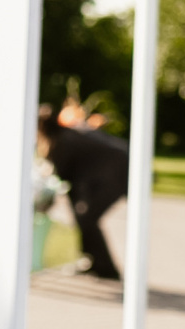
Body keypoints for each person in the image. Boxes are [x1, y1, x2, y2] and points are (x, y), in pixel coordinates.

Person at [39, 104, 128, 280]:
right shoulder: (66, 136)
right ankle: (93, 260)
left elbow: (59, 172)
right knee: (83, 216)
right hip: (100, 177)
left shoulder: (65, 141)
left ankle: (106, 268)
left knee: (87, 217)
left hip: (118, 175)